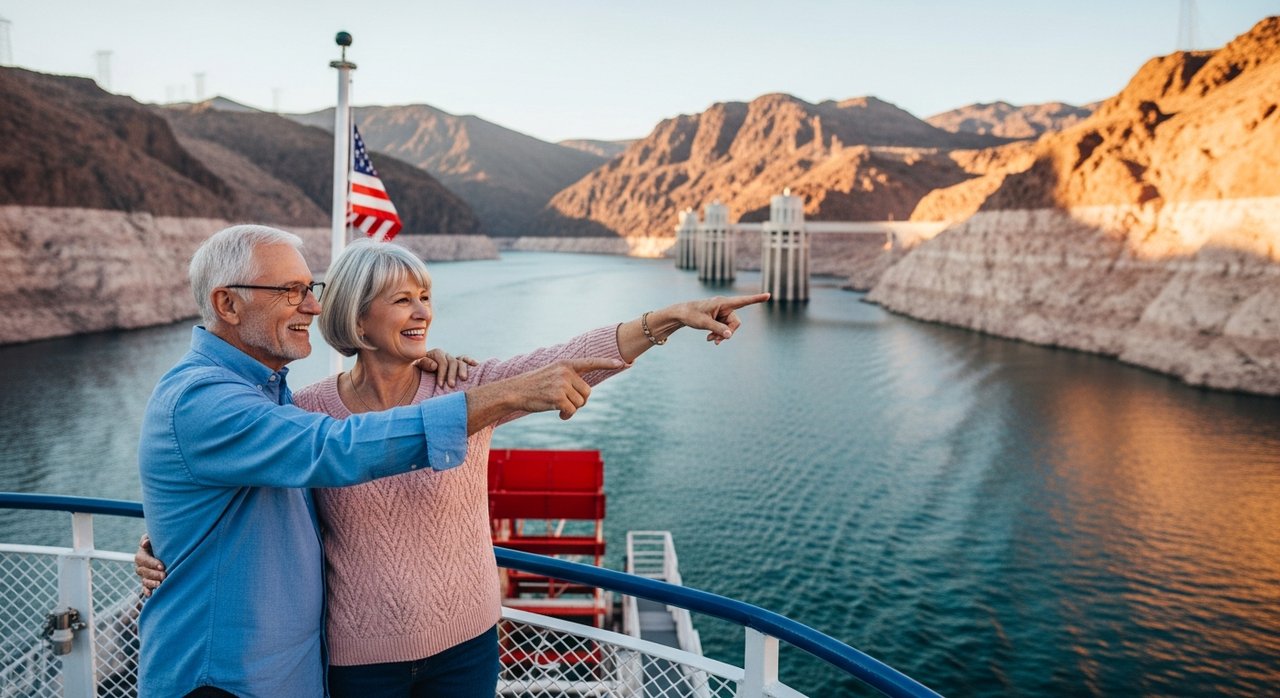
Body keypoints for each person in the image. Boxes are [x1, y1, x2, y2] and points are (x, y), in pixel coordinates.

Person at [140, 236, 769, 696]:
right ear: (358, 318)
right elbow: (325, 452)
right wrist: (170, 540)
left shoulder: (450, 385)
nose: (421, 312)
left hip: (466, 642)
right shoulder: (301, 407)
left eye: (425, 297)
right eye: (400, 300)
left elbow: (566, 355)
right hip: (351, 656)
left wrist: (661, 321)